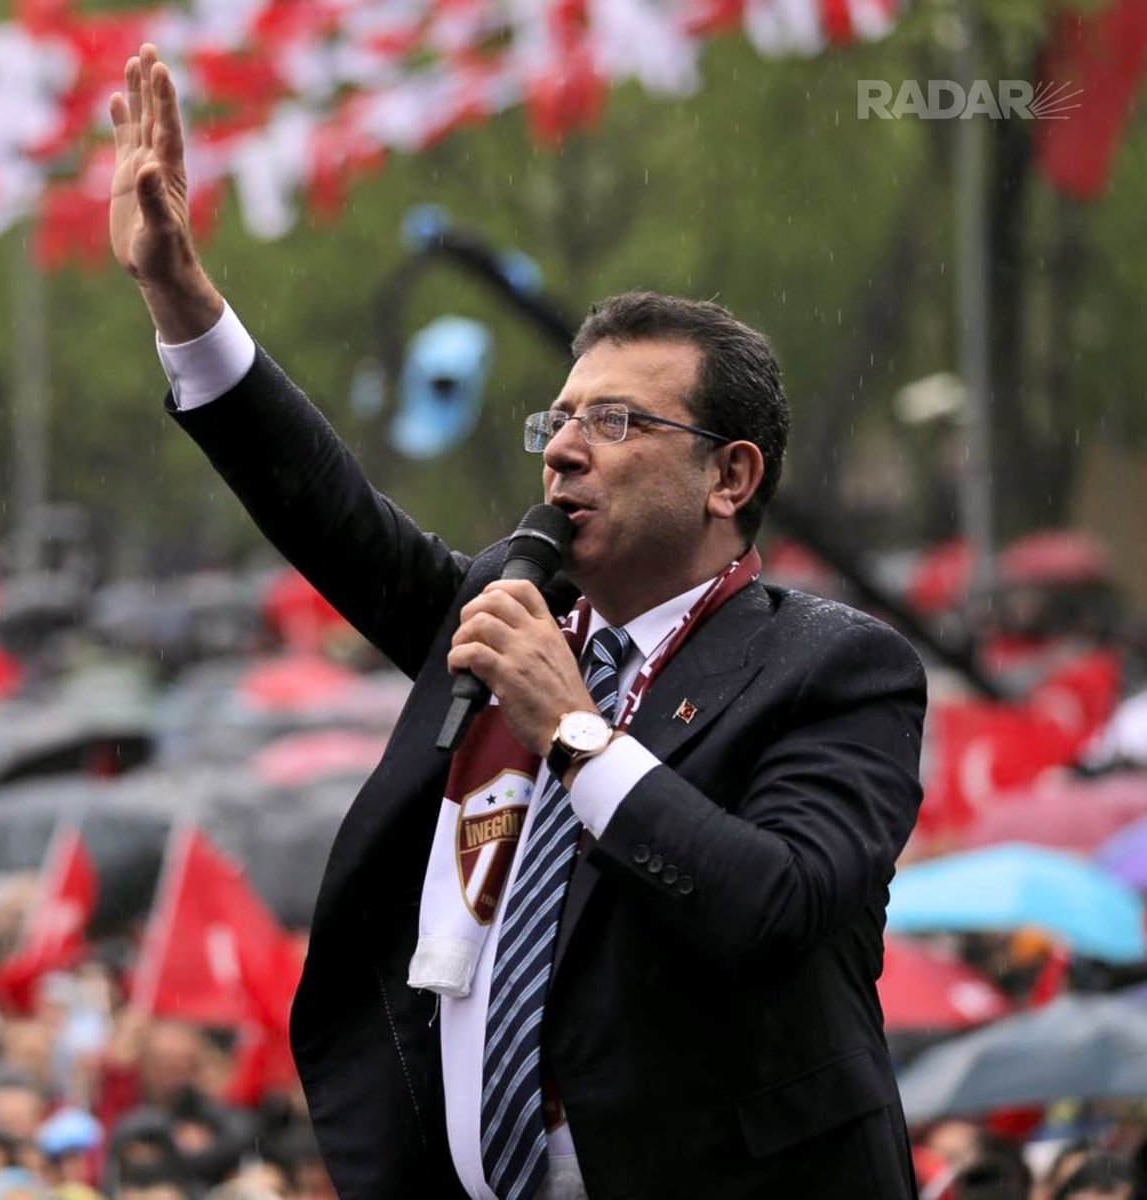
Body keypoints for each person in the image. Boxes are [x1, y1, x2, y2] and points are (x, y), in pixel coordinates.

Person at [109, 43, 927, 1200]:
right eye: (559, 417)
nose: (565, 446)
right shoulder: (516, 608)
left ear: (729, 477)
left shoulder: (834, 670)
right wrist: (183, 303)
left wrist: (578, 736)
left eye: (617, 422)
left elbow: (774, 907)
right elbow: (337, 520)